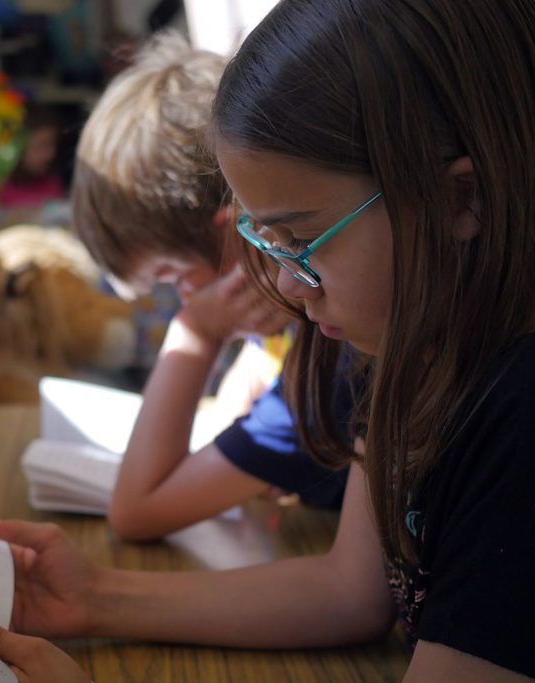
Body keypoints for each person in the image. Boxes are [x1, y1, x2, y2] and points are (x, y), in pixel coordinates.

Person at [0, 1, 535, 680]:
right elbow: (349, 589)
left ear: (463, 199)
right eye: (262, 238)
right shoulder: (407, 340)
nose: (287, 285)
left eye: (300, 240)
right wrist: (96, 597)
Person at [69, 31, 356, 542]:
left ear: (239, 227)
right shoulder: (307, 338)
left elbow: (136, 513)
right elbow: (250, 381)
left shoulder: (335, 357)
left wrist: (197, 331)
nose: (184, 298)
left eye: (176, 279)